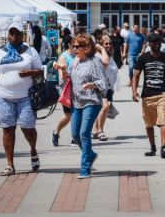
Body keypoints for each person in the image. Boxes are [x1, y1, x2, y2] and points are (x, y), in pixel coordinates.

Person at [0, 17, 43, 176]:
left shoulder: (30, 51)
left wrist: (30, 72)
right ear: (8, 34)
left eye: (17, 33)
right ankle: (10, 165)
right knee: (7, 129)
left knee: (28, 128)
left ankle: (33, 149)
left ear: (22, 35)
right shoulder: (0, 52)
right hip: (4, 96)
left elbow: (40, 71)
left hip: (25, 96)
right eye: (11, 33)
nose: (14, 36)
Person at [67, 35, 108, 179]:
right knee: (75, 134)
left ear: (87, 48)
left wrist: (93, 84)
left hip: (91, 101)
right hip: (77, 102)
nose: (75, 49)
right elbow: (69, 78)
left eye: (77, 46)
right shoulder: (75, 62)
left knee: (84, 133)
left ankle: (85, 168)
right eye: (74, 46)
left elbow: (104, 83)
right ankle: (90, 155)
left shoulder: (94, 61)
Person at [132, 33, 165, 159]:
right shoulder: (143, 58)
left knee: (163, 121)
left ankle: (163, 148)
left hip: (162, 95)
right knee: (149, 124)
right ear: (149, 43)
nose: (157, 44)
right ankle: (153, 148)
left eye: (159, 42)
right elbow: (136, 75)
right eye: (154, 42)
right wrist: (134, 92)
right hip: (147, 96)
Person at [51, 35, 79, 147]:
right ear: (70, 44)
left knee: (77, 114)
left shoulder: (77, 55)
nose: (78, 47)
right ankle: (56, 132)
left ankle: (75, 137)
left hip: (78, 89)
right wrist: (63, 68)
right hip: (67, 90)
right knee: (68, 116)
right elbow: (63, 77)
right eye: (76, 44)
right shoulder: (64, 57)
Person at [93, 35, 118, 141]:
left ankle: (95, 131)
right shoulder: (98, 55)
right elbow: (106, 64)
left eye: (109, 43)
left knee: (101, 109)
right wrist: (101, 49)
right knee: (105, 106)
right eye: (105, 44)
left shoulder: (110, 55)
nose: (108, 45)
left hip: (108, 87)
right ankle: (100, 131)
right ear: (101, 45)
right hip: (100, 86)